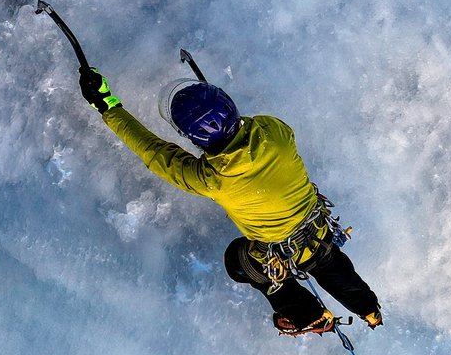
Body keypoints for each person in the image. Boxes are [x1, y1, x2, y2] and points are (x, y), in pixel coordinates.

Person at [78, 64, 383, 335]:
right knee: (327, 261)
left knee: (239, 261)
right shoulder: (274, 130)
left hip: (281, 249)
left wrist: (107, 105)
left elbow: (155, 151)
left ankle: (309, 315)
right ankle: (368, 309)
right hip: (320, 232)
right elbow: (247, 130)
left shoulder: (212, 180)